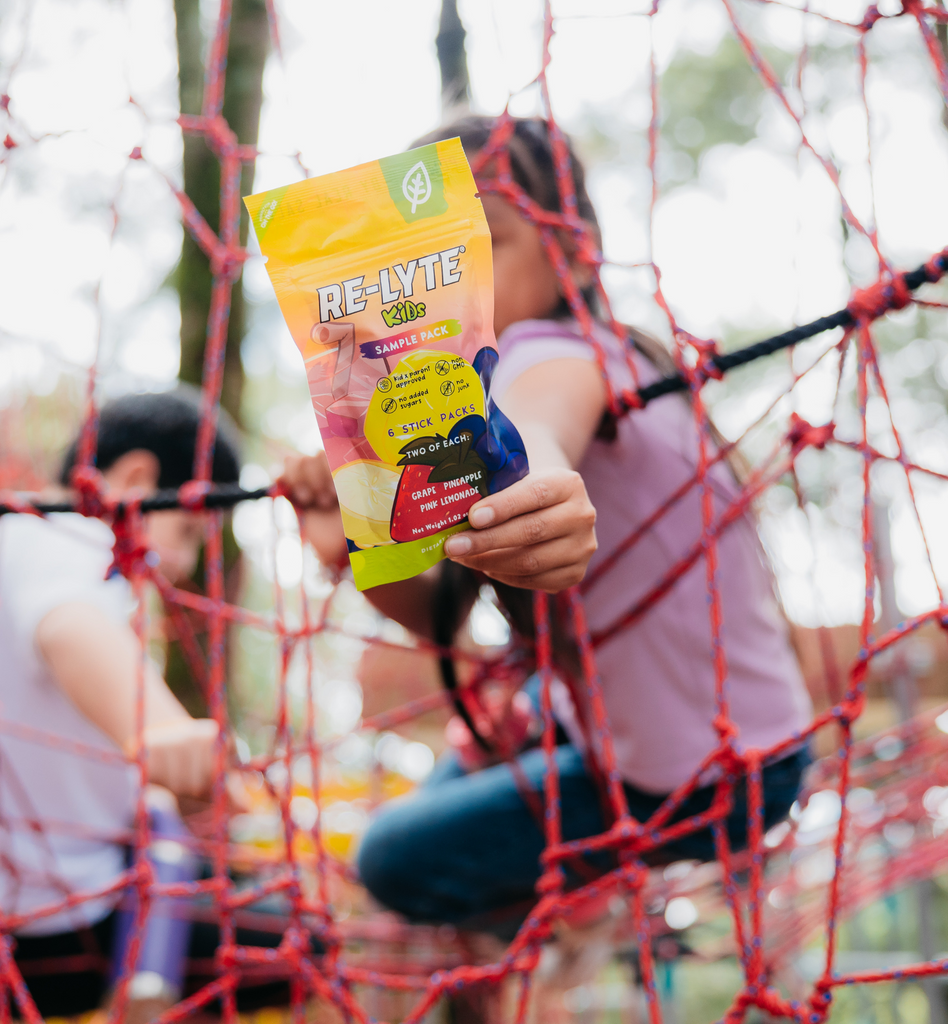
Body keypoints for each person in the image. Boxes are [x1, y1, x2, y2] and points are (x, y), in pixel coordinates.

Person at [280, 116, 813, 937]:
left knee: (389, 857)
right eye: (434, 259)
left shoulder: (555, 350)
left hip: (718, 776)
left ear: (573, 249)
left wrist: (543, 477)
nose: (463, 281)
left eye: (486, 243)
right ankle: (564, 885)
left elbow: (542, 420)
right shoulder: (490, 397)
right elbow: (435, 614)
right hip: (635, 725)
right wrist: (348, 542)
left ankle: (577, 911)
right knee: (477, 740)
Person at [0, 387, 285, 1018]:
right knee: (293, 940)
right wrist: (159, 725)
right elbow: (69, 624)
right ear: (138, 479)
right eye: (191, 528)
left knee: (201, 866)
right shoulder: (56, 538)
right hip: (42, 929)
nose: (190, 559)